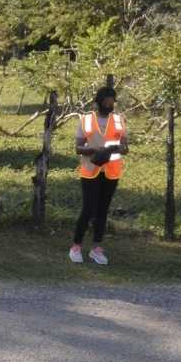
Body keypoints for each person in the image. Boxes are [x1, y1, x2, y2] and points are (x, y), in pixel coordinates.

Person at [70, 86, 128, 265]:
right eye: (105, 103)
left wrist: (120, 148)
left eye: (112, 104)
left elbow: (125, 147)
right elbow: (78, 147)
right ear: (98, 102)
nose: (109, 107)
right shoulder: (87, 120)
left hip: (111, 170)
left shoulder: (119, 120)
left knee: (103, 209)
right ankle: (76, 246)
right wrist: (93, 149)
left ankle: (96, 248)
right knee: (89, 208)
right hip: (91, 169)